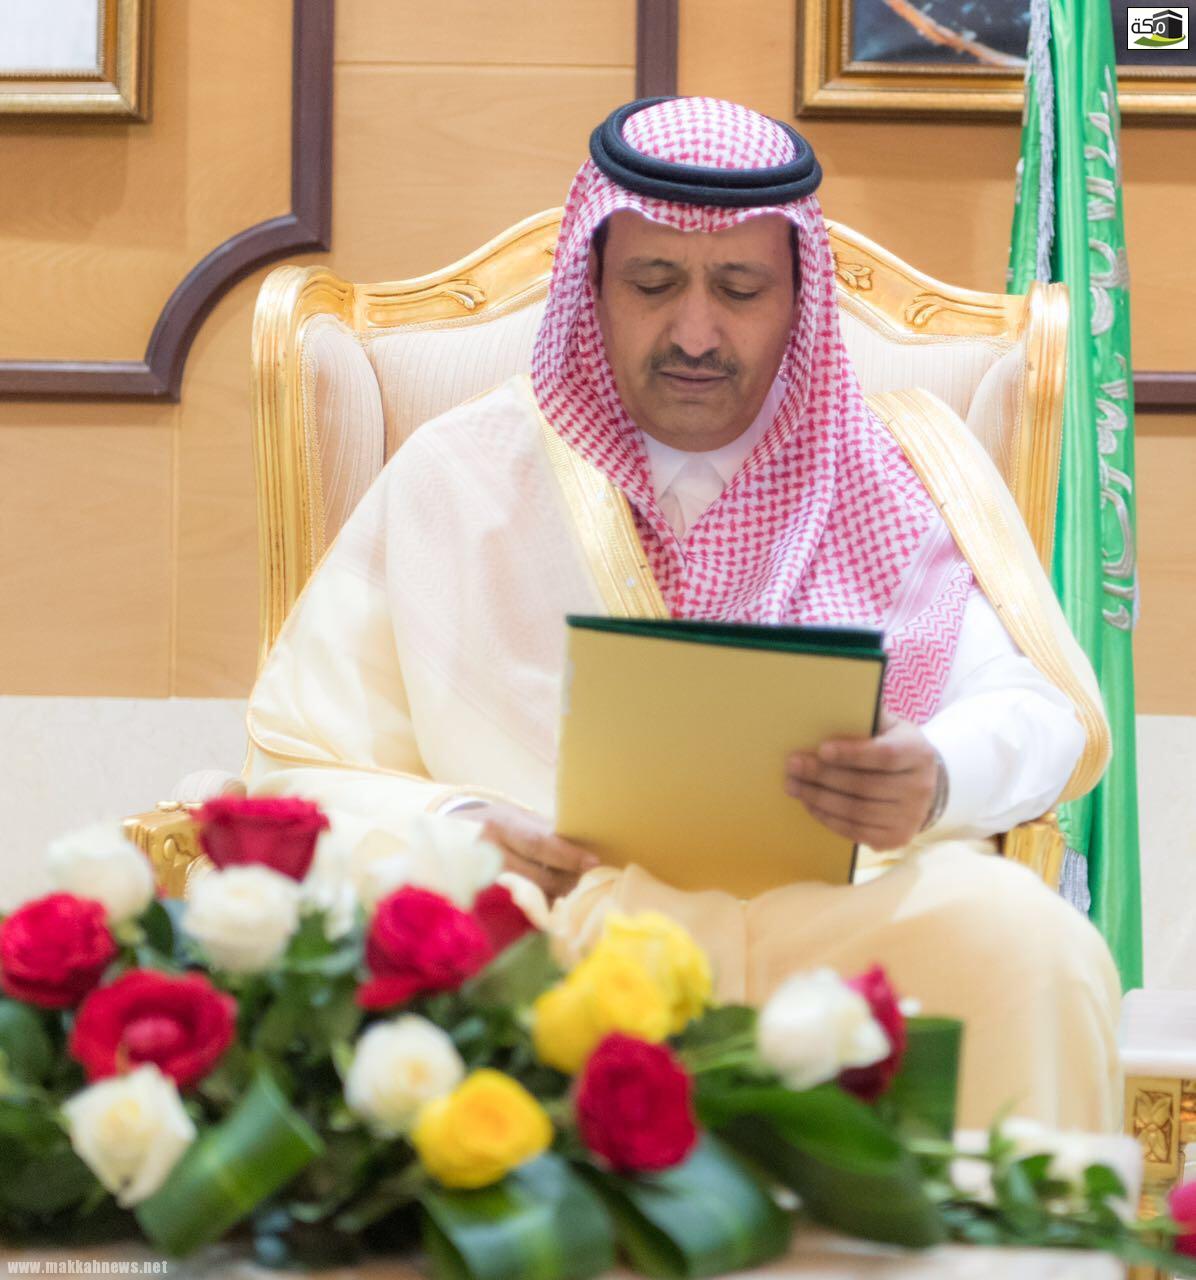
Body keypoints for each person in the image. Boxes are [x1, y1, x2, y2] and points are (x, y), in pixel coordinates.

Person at [244, 97, 1121, 1131]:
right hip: (559, 935)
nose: (695, 334)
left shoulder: (888, 471)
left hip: (839, 926)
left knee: (1030, 943)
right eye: (652, 284)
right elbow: (294, 763)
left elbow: (1033, 709)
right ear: (592, 286)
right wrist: (464, 829)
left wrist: (934, 774)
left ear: (799, 296)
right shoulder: (458, 475)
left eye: (740, 289)